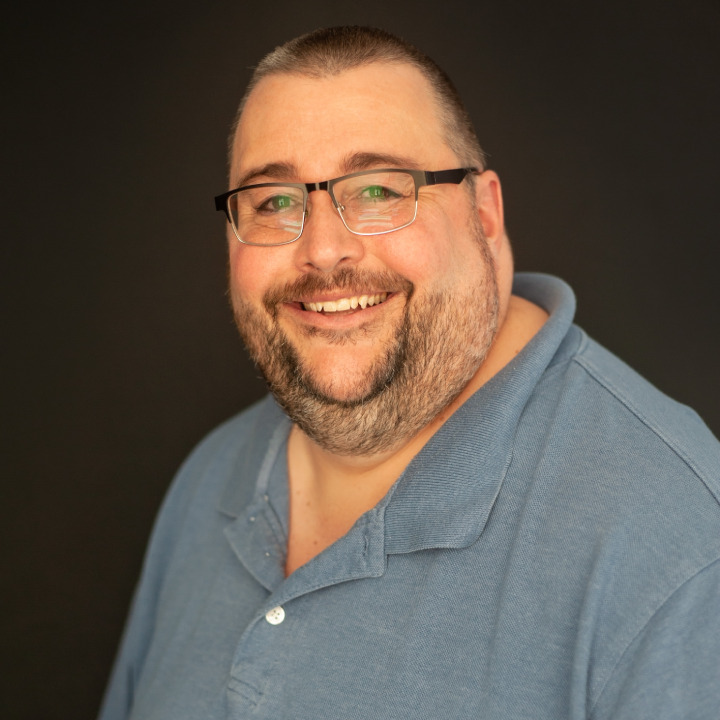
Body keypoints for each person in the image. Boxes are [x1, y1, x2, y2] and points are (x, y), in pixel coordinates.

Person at [99, 26, 720, 720]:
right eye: (274, 201)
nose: (324, 252)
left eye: (377, 191)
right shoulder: (207, 482)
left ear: (484, 214)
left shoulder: (678, 551)